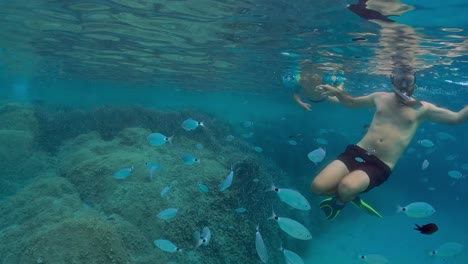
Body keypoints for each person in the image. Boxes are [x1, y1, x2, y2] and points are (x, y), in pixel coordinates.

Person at [310, 70, 468, 220]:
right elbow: (351, 103)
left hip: (379, 164)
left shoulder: (423, 108)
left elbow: (456, 119)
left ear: (415, 81)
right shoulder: (380, 97)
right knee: (317, 187)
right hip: (356, 152)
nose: (404, 84)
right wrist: (338, 92)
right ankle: (350, 194)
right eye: (400, 79)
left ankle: (342, 200)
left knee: (347, 187)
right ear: (392, 80)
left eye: (409, 80)